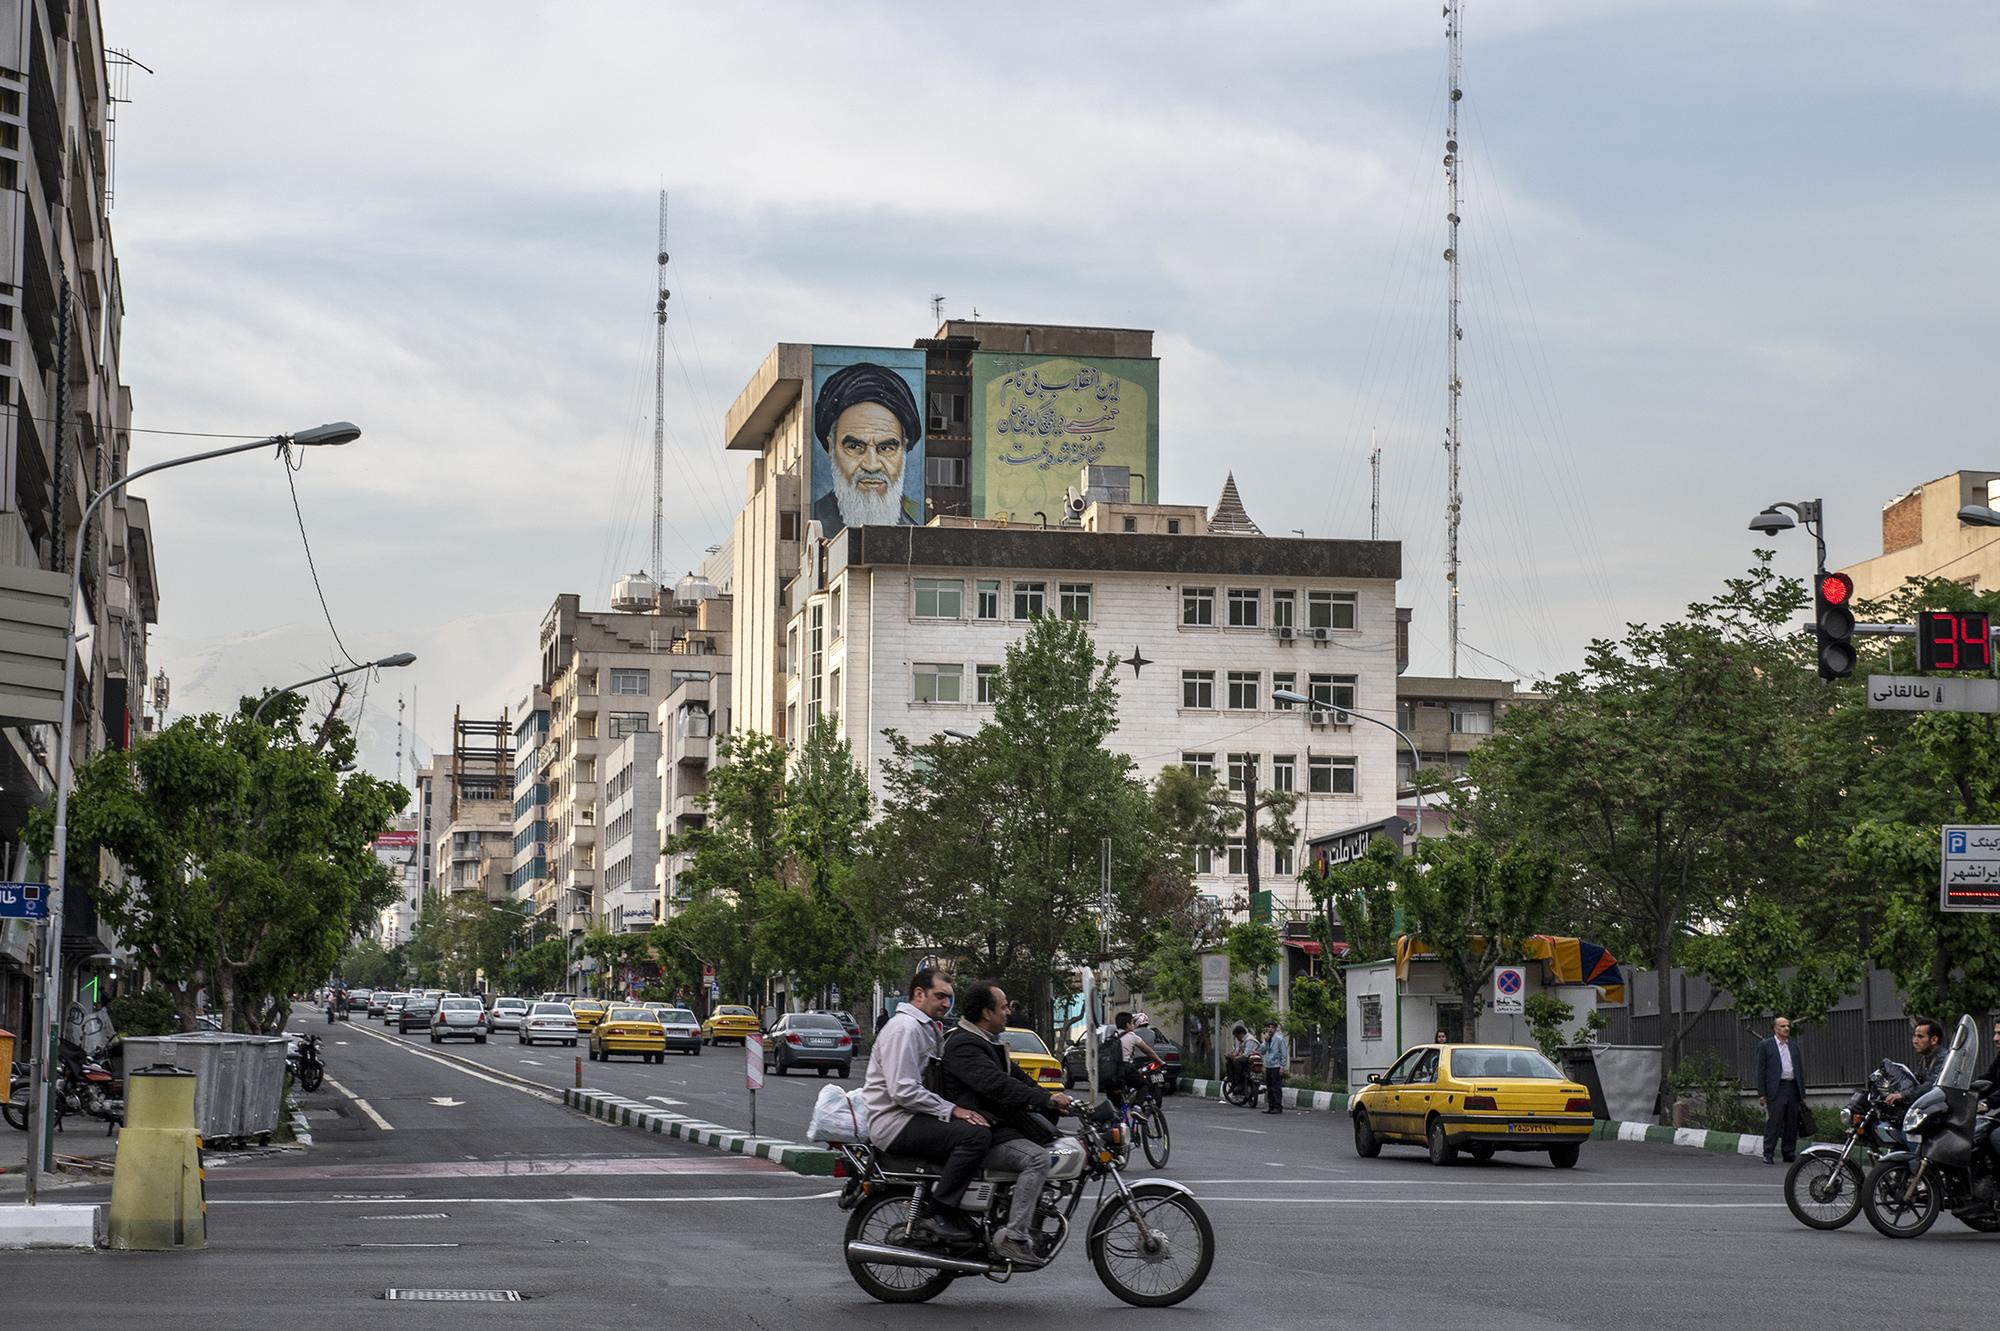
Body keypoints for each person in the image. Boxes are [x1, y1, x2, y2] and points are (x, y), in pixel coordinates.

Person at [938, 981, 1077, 1264]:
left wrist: (1052, 1099)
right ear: (987, 1013)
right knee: (1037, 1159)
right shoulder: (964, 1043)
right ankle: (1014, 1238)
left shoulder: (988, 1042)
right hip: (981, 1131)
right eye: (1003, 1007)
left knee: (1050, 1143)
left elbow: (1018, 1078)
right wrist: (1046, 1100)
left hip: (994, 1127)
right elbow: (997, 1085)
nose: (1008, 1012)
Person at [858, 968, 991, 1244]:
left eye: (950, 998)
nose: (946, 1003)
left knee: (978, 1127)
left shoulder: (926, 1027)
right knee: (975, 1136)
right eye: (940, 996)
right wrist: (952, 1110)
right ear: (919, 994)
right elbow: (903, 1090)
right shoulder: (904, 1029)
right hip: (895, 1122)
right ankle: (939, 1214)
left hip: (910, 1116)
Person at [811, 361, 923, 533]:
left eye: (886, 448)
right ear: (831, 447)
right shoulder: (815, 527)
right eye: (855, 446)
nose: (871, 465)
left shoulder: (917, 537)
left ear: (904, 449)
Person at [1755, 1016, 1805, 1165]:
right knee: (1775, 1121)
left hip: (1792, 1087)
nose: (1786, 1028)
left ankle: (1788, 1152)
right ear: (1775, 1029)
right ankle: (1768, 1152)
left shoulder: (1794, 1046)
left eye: (1787, 1026)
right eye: (1783, 1026)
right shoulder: (1766, 1045)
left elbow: (1799, 1070)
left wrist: (1802, 1093)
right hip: (1776, 1088)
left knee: (1792, 1121)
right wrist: (1762, 1093)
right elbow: (1761, 1070)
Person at [1887, 1017, 1946, 1108]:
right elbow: (1916, 1080)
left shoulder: (1943, 1058)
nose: (1915, 1041)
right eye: (1914, 1036)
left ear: (1934, 1040)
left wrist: (1903, 1095)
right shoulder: (1926, 1058)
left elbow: (1931, 1085)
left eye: (1920, 1037)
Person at [1261, 1022, 1290, 1115]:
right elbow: (1262, 1051)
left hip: (1276, 1066)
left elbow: (1283, 1054)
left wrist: (1282, 1067)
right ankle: (1271, 1106)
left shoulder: (1279, 1040)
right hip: (1268, 1066)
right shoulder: (1266, 1039)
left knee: (1276, 1087)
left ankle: (1278, 1106)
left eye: (1272, 1027)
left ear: (1275, 1029)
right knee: (1269, 1087)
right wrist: (1265, 1042)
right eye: (1269, 1027)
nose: (1270, 1029)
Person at [1225, 1024, 1254, 1096]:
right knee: (1229, 1061)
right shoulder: (1242, 1041)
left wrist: (1235, 1058)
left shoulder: (1250, 1040)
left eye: (1237, 1036)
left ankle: (1239, 1083)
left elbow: (1246, 1055)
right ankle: (1232, 1082)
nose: (1237, 1039)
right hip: (1245, 1060)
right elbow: (1237, 1051)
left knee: (1236, 1061)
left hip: (1251, 1060)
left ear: (1241, 1034)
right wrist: (1231, 1055)